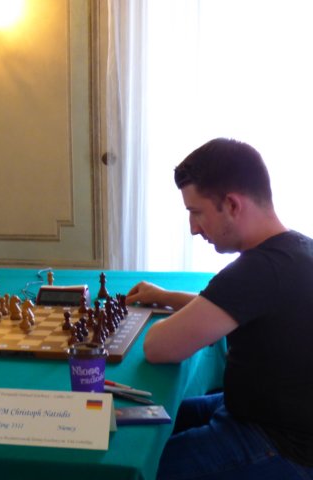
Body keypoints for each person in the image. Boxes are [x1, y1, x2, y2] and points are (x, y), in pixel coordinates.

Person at [126, 138, 313, 479]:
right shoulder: (297, 248)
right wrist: (166, 296)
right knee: (142, 422)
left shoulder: (257, 270)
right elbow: (233, 309)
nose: (193, 229)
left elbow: (158, 347)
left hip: (277, 442)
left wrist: (167, 320)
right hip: (257, 410)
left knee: (138, 466)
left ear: (232, 204)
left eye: (196, 212)